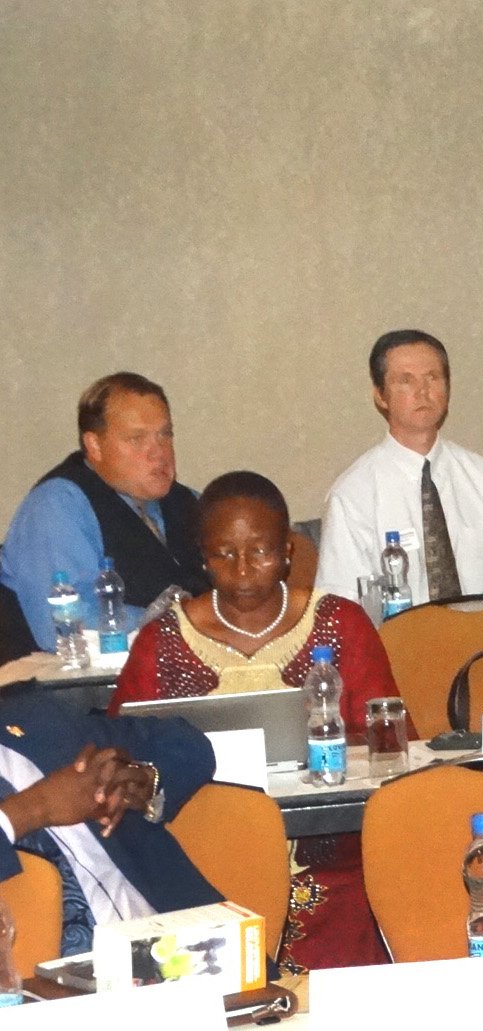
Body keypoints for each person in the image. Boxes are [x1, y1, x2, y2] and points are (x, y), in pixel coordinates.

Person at [111, 470, 397, 972]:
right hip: (199, 863)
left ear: (288, 550)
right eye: (224, 554)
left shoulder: (342, 623)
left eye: (261, 552)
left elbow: (391, 746)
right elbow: (121, 757)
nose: (242, 571)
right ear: (202, 554)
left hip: (331, 866)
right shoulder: (161, 642)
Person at [315, 329, 483, 607]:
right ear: (380, 396)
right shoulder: (354, 493)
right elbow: (343, 602)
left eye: (432, 378)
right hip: (398, 647)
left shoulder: (481, 476)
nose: (423, 392)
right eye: (405, 381)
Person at [0, 694, 221, 957]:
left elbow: (188, 745)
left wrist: (145, 778)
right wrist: (32, 808)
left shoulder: (35, 719)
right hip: (40, 989)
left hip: (183, 956)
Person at [1, 372, 208, 652]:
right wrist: (184, 623)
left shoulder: (188, 502)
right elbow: (65, 627)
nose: (159, 452)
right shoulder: (58, 504)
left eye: (165, 434)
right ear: (94, 446)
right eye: (137, 438)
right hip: (61, 687)